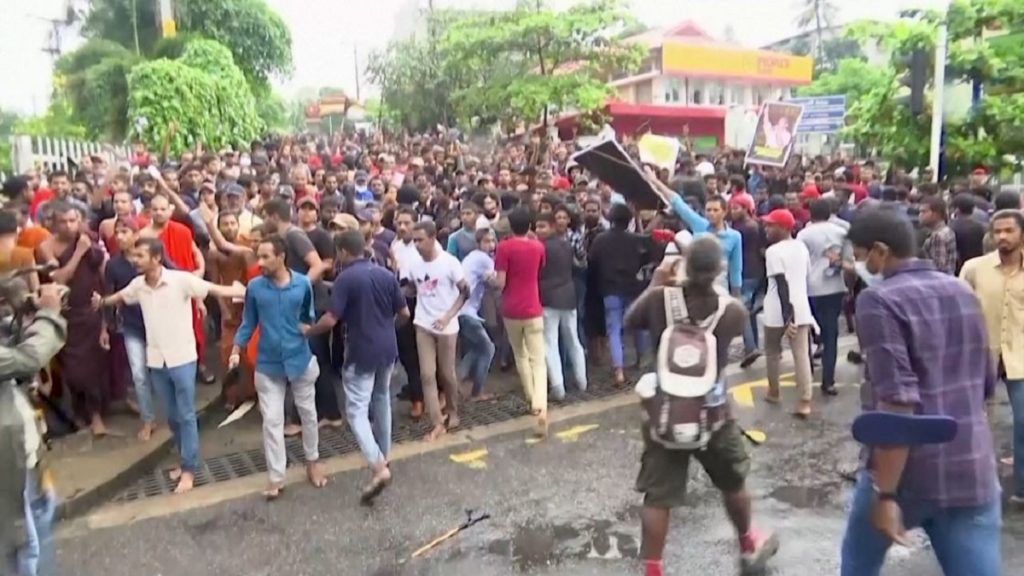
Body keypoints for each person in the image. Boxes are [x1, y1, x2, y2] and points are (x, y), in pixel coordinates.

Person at [840, 206, 1001, 576]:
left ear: (881, 251)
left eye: (861, 255)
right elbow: (986, 379)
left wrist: (885, 494)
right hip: (970, 464)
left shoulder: (878, 301)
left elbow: (897, 402)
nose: (860, 264)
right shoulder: (962, 289)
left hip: (907, 474)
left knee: (858, 565)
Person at [626, 236, 778, 576]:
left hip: (664, 414)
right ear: (720, 269)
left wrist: (657, 282)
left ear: (683, 265)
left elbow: (629, 322)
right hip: (713, 414)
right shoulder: (733, 311)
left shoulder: (658, 299)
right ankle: (748, 543)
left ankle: (653, 568)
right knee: (733, 483)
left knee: (657, 496)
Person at [93, 238, 243, 494]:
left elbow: (213, 289)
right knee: (172, 417)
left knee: (186, 414)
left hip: (182, 357)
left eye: (140, 256)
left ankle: (189, 469)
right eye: (134, 256)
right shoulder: (138, 285)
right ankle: (185, 459)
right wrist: (102, 302)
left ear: (156, 258)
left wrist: (245, 291)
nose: (135, 260)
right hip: (156, 360)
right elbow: (120, 296)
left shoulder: (180, 280)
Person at [304, 230, 410, 504]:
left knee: (356, 411)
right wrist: (385, 328)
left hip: (360, 350)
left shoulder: (346, 278)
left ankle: (378, 466)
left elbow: (330, 319)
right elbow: (404, 313)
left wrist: (308, 330)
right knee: (382, 398)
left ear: (342, 251)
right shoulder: (386, 274)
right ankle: (384, 456)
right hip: (388, 348)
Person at [229, 235, 327, 499]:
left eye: (265, 257)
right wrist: (237, 348)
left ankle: (312, 461)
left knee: (308, 414)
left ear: (281, 257)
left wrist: (307, 328)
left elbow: (307, 315)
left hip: (299, 359)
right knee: (272, 421)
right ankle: (276, 476)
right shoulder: (255, 287)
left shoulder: (303, 284)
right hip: (267, 363)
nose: (259, 262)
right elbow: (249, 321)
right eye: (258, 256)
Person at [1, 283, 66, 576]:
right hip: (8, 460)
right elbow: (27, 358)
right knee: (24, 547)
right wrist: (49, 313)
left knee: (40, 515)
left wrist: (22, 311)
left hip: (22, 452)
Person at [960, 209, 1024, 506]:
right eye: (997, 231)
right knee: (970, 421)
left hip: (1019, 355)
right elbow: (957, 307)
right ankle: (969, 484)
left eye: (1009, 231)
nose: (1002, 237)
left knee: (1022, 421)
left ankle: (1021, 488)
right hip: (979, 353)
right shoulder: (975, 268)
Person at [37, 202, 109, 436]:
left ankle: (96, 415)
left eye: (73, 220)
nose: (69, 226)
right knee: (72, 370)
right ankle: (79, 413)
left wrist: (105, 305)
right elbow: (59, 278)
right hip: (65, 315)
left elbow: (102, 273)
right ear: (54, 224)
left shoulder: (89, 241)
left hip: (89, 311)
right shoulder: (46, 247)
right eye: (63, 221)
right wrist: (78, 252)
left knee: (93, 367)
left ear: (79, 221)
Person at [140, 193, 213, 384]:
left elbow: (195, 253)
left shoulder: (182, 231)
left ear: (170, 211)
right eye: (155, 209)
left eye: (163, 209)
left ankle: (200, 365)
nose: (159, 213)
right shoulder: (144, 236)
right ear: (149, 212)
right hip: (160, 291)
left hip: (185, 288)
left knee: (194, 327)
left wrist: (199, 272)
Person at [408, 220, 468, 441]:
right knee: (427, 374)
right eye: (414, 241)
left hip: (447, 327)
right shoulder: (414, 264)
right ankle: (436, 422)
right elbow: (413, 288)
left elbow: (465, 292)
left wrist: (448, 316)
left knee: (447, 374)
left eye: (420, 240)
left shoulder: (449, 263)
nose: (416, 245)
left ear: (432, 238)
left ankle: (452, 410)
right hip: (423, 323)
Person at [100, 217, 158, 441]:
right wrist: (104, 328)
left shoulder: (151, 255)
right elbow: (108, 298)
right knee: (139, 374)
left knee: (161, 373)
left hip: (157, 324)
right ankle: (148, 419)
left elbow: (176, 275)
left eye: (125, 231)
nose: (120, 237)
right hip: (132, 326)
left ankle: (174, 413)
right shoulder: (113, 265)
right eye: (117, 232)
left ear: (136, 234)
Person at [494, 207, 549, 436]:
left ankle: (530, 396)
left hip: (511, 308)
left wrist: (491, 281)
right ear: (530, 226)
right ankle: (541, 404)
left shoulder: (503, 247)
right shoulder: (538, 247)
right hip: (533, 306)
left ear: (510, 225)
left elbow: (500, 282)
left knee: (520, 354)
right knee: (538, 359)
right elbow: (540, 270)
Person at [761, 209, 816, 417]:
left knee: (772, 352)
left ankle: (774, 392)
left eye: (771, 225)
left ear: (784, 228)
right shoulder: (801, 247)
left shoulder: (773, 251)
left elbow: (781, 284)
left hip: (777, 310)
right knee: (801, 355)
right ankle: (805, 400)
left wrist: (788, 318)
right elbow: (806, 275)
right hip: (801, 306)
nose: (766, 229)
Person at [588, 203, 650, 386]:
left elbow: (592, 262)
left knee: (614, 329)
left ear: (611, 219)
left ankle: (619, 371)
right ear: (629, 220)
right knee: (638, 325)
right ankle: (641, 359)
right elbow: (647, 257)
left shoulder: (600, 240)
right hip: (633, 288)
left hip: (610, 289)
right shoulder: (635, 240)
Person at [796, 199, 849, 396]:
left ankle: (807, 370)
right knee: (831, 334)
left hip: (811, 287)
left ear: (811, 214)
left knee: (808, 331)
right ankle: (829, 380)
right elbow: (848, 260)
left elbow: (800, 262)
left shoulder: (804, 234)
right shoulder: (842, 232)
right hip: (835, 286)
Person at [535, 212, 587, 399]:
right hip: (568, 296)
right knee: (573, 339)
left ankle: (558, 386)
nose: (538, 230)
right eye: (537, 226)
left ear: (552, 226)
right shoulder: (566, 245)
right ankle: (582, 381)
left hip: (548, 298)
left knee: (550, 342)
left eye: (542, 226)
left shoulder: (540, 248)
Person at [458, 228, 499, 401]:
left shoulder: (471, 257)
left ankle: (457, 379)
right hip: (467, 312)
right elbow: (495, 283)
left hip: (461, 311)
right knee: (488, 348)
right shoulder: (484, 260)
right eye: (486, 241)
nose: (491, 245)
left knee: (477, 348)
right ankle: (477, 391)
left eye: (493, 241)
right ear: (478, 243)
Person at [918, 196, 958, 275]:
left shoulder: (938, 236)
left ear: (936, 214)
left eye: (923, 212)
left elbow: (938, 267)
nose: (920, 215)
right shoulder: (947, 230)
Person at [949, 193, 987, 274]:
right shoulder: (982, 227)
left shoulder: (950, 228)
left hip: (959, 271)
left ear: (957, 209)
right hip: (979, 268)